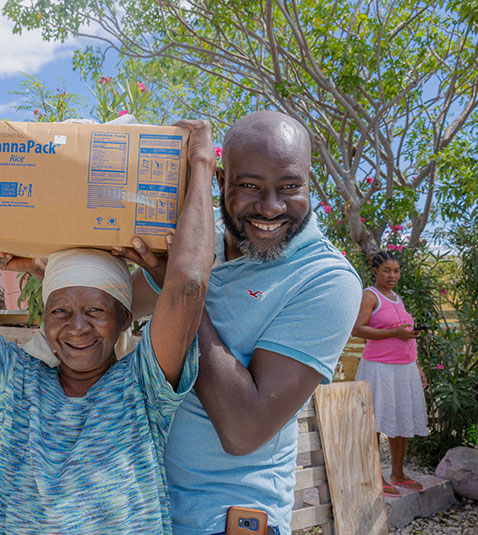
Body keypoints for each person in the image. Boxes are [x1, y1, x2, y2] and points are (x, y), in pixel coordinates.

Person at [0, 112, 216, 535]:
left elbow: (187, 285)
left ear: (124, 318)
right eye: (60, 311)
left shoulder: (141, 387)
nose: (76, 327)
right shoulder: (16, 384)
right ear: (44, 317)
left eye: (95, 311)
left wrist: (201, 162)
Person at [113, 110, 363, 535]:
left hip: (226, 518)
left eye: (289, 187)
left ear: (308, 182)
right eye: (249, 186)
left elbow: (244, 429)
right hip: (143, 509)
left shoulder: (326, 281)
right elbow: (119, 307)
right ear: (219, 179)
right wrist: (53, 266)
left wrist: (183, 290)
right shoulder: (199, 239)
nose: (271, 207)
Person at [351, 250, 429, 497]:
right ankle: (374, 475)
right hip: (379, 368)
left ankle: (397, 473)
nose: (392, 275)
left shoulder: (397, 297)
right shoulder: (369, 295)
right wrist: (395, 333)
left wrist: (418, 367)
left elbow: (405, 334)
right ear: (375, 271)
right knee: (374, 421)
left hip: (404, 369)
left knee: (400, 419)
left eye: (396, 270)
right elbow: (357, 329)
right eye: (387, 270)